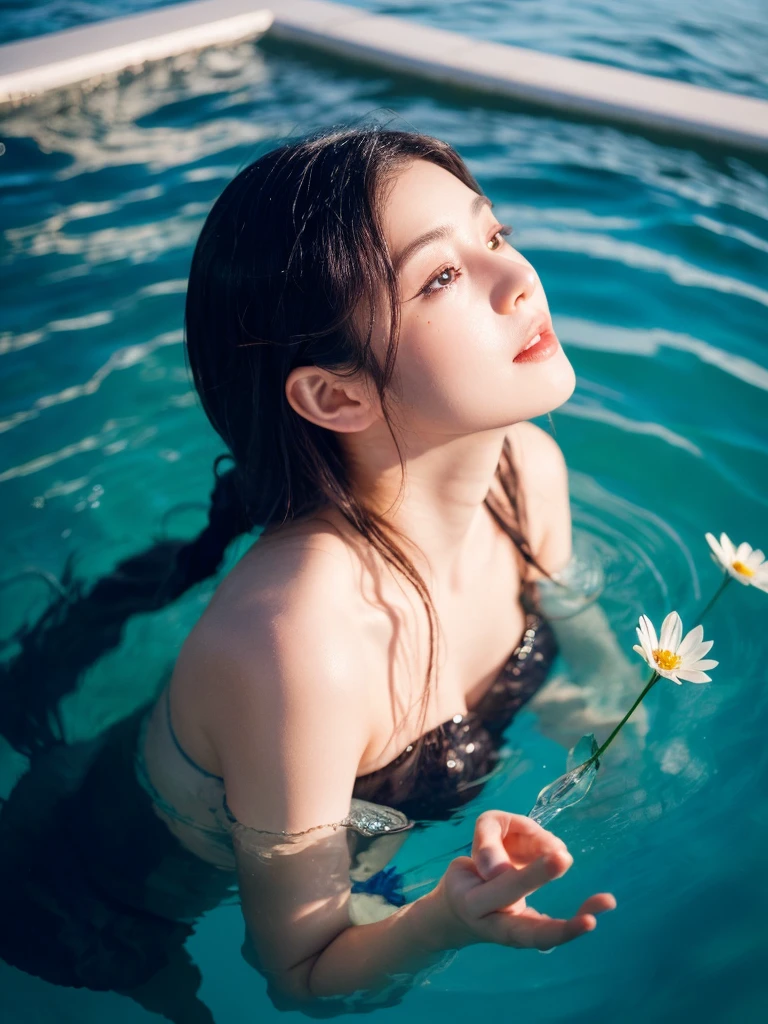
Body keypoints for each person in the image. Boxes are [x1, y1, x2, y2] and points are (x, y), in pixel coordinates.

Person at [1, 122, 630, 1019]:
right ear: (337, 394)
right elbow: (296, 973)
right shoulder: (301, 640)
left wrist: (616, 734)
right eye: (441, 277)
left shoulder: (528, 474)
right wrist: (445, 920)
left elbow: (586, 651)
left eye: (493, 236)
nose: (519, 278)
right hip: (98, 895)